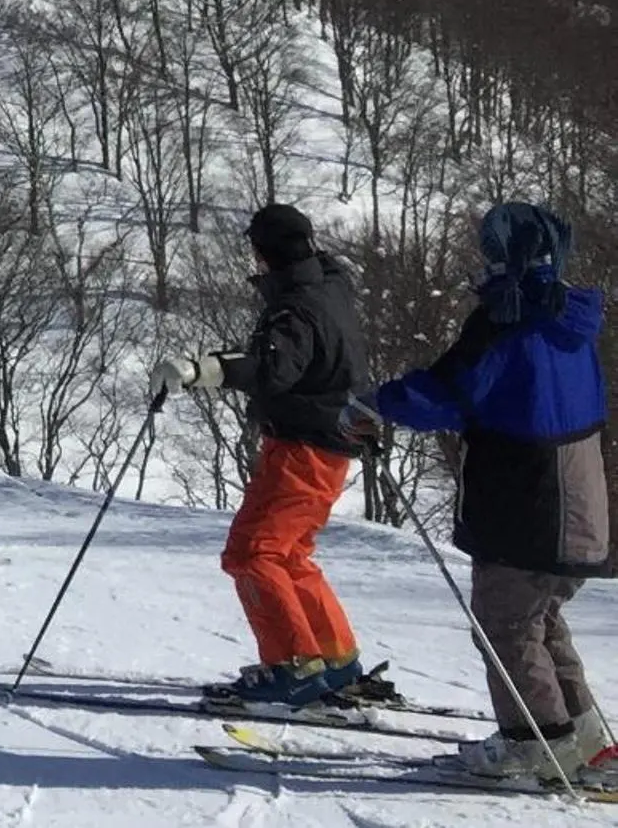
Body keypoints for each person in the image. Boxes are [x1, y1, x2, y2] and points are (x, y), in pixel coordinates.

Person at [362, 203, 614, 784]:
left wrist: (375, 403)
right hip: (580, 497)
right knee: (538, 618)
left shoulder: (507, 319)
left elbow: (448, 393)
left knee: (505, 624)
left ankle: (537, 744)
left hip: (527, 499)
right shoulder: (572, 317)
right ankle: (585, 741)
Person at [155, 203, 375, 708]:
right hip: (330, 439)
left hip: (303, 442)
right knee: (288, 552)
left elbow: (275, 367)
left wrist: (204, 370)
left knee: (253, 552)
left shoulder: (297, 305)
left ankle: (293, 666)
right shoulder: (329, 286)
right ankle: (333, 658)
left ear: (261, 252)